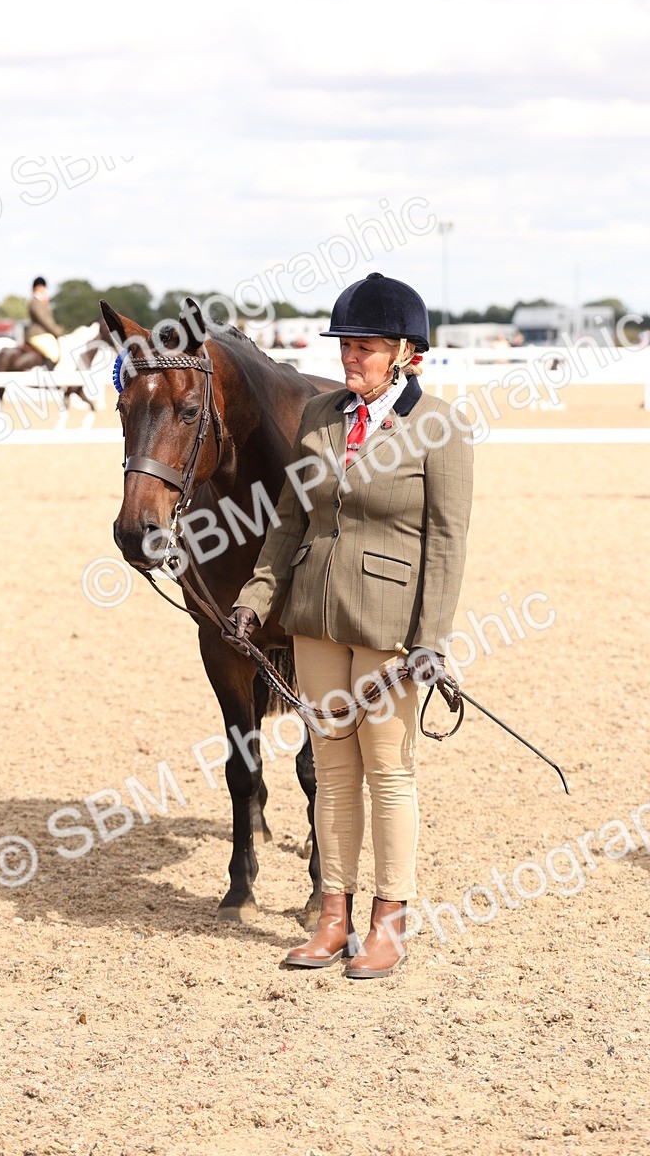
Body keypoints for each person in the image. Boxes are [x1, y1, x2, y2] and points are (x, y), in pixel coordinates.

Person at [228, 272, 473, 979]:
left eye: (364, 346)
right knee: (332, 769)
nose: (349, 357)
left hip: (391, 628)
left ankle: (388, 922)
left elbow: (446, 542)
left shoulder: (439, 427)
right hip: (315, 616)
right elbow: (289, 521)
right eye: (345, 345)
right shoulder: (319, 416)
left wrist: (431, 640)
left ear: (404, 353)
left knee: (388, 772)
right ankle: (332, 917)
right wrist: (255, 596)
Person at [26, 277, 64, 368]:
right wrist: (57, 331)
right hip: (37, 334)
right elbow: (43, 320)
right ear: (37, 287)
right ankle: (47, 374)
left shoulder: (43, 302)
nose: (44, 289)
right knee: (53, 354)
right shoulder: (35, 302)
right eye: (42, 287)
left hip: (45, 334)